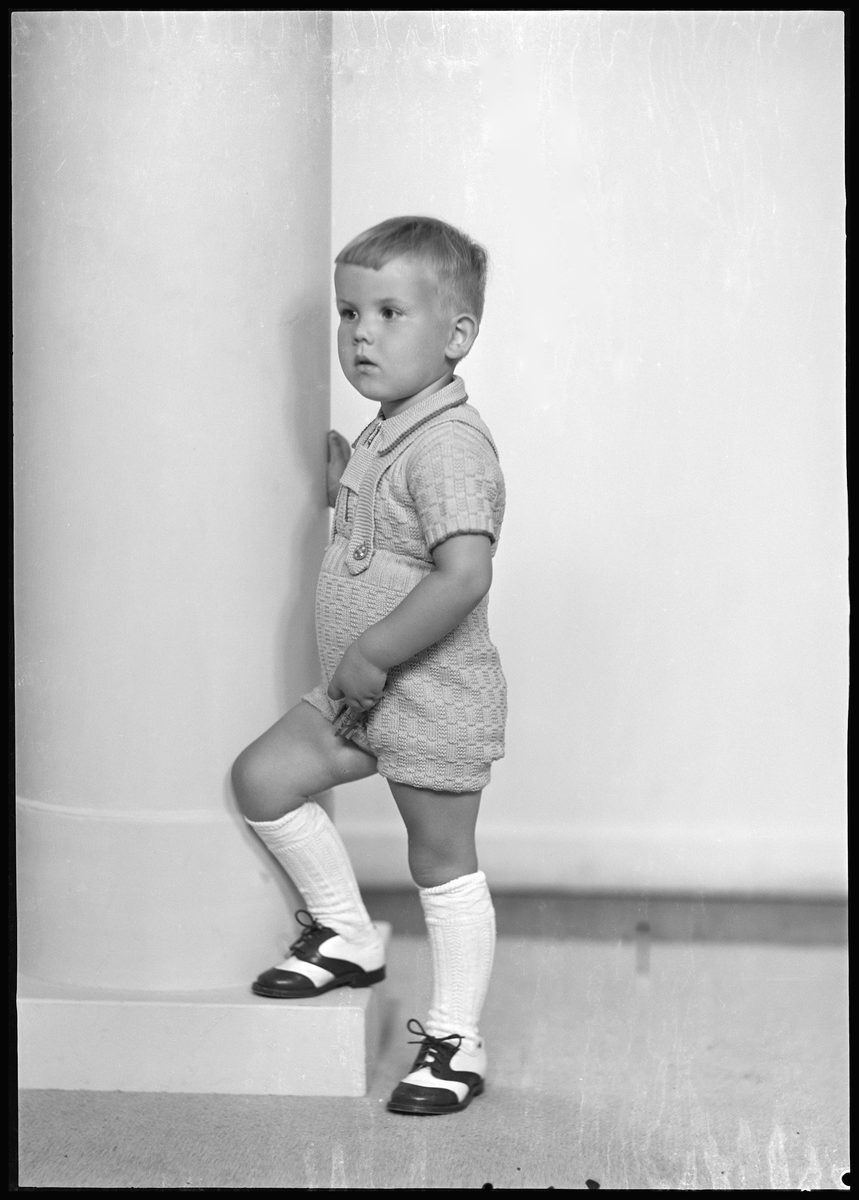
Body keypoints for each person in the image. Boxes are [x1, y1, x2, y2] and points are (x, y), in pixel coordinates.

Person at [232, 215, 506, 1115]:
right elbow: (389, 535)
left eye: (390, 313)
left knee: (442, 865)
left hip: (427, 694)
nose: (360, 335)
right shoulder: (393, 428)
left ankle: (456, 1044)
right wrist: (344, 479)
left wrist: (374, 651)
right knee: (264, 779)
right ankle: (347, 934)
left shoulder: (451, 443)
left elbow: (463, 573)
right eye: (350, 313)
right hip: (361, 692)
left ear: (455, 335)